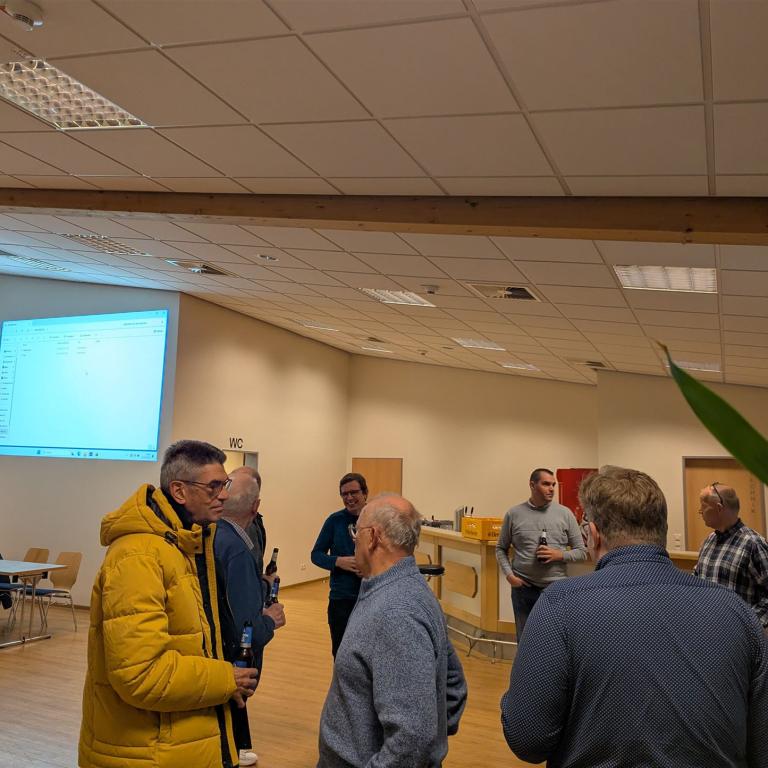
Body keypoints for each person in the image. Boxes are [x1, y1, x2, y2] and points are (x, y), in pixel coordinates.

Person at [501, 466, 768, 768]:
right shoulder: (739, 613)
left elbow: (528, 739)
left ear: (592, 535)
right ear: (661, 531)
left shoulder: (559, 605)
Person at [79, 440, 259, 768]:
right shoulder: (138, 557)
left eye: (225, 485)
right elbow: (140, 674)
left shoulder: (188, 543)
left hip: (178, 741)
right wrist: (226, 679)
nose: (223, 495)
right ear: (179, 491)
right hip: (145, 751)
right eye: (214, 486)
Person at [318, 494, 467, 768]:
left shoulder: (396, 612)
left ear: (373, 537)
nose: (354, 541)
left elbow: (413, 738)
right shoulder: (405, 590)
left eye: (356, 533)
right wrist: (436, 735)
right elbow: (454, 686)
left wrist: (430, 745)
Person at [215, 466, 287, 768]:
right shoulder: (236, 548)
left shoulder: (209, 535)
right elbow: (248, 630)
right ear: (255, 506)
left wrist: (260, 586)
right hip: (231, 665)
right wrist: (270, 619)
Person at [494, 467, 586, 641]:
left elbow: (582, 552)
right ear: (532, 485)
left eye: (553, 485)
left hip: (556, 588)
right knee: (525, 640)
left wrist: (559, 555)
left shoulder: (565, 514)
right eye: (546, 484)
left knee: (555, 640)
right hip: (523, 588)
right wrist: (509, 576)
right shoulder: (514, 514)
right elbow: (500, 548)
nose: (551, 489)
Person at [694, 482, 768, 633]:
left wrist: (749, 627)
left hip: (739, 636)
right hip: (706, 630)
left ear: (719, 508)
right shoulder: (708, 541)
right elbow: (697, 578)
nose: (700, 511)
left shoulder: (753, 544)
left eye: (703, 506)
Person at [311, 472, 368, 656]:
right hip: (341, 599)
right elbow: (316, 555)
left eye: (354, 492)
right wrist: (337, 561)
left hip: (371, 596)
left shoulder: (377, 519)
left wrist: (370, 569)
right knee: (341, 653)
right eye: (344, 494)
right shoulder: (334, 521)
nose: (349, 498)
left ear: (365, 493)